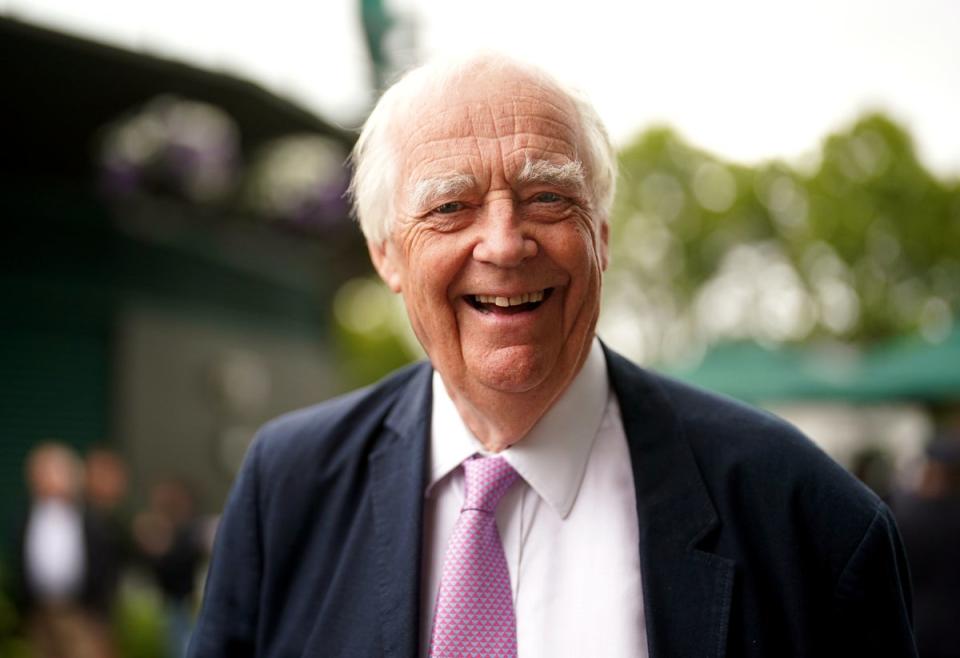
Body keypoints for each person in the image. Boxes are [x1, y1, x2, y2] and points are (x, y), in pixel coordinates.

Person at [189, 54, 916, 657]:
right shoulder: (286, 486)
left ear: (601, 233)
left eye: (546, 198)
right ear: (386, 254)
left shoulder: (804, 515)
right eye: (450, 207)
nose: (504, 244)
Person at [12, 442, 116, 658]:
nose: (47, 479)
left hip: (82, 613)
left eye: (54, 471)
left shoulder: (92, 518)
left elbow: (107, 563)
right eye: (41, 472)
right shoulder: (26, 518)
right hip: (39, 613)